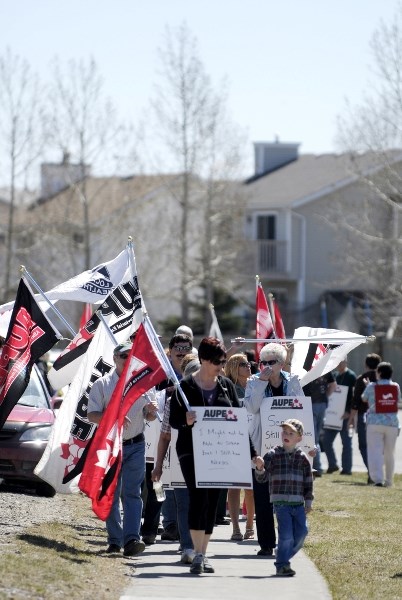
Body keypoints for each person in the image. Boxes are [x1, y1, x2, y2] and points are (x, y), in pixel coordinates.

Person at [169, 336, 246, 575]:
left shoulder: (226, 386)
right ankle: (195, 553)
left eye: (223, 362)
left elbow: (238, 420)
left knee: (212, 501)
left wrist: (251, 453)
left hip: (218, 450)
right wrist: (186, 419)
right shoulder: (185, 387)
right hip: (190, 450)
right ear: (203, 360)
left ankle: (202, 553)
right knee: (198, 497)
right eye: (216, 362)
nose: (220, 367)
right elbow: (173, 420)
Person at [87, 340, 159, 556]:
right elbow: (92, 415)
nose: (129, 360)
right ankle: (114, 540)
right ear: (115, 359)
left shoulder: (143, 384)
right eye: (124, 356)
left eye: (132, 356)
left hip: (135, 444)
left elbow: (150, 416)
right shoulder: (102, 384)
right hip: (109, 447)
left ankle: (131, 540)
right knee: (111, 492)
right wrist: (115, 418)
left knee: (132, 493)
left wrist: (152, 411)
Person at [244, 342, 304, 557]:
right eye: (263, 363)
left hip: (288, 447)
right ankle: (266, 543)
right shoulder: (254, 381)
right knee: (262, 496)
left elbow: (301, 409)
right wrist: (261, 381)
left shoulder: (293, 381)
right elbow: (251, 407)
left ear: (281, 363)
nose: (266, 366)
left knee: (286, 495)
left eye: (271, 363)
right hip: (263, 445)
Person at [152, 351, 200, 564]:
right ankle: (188, 545)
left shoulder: (214, 399)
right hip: (181, 460)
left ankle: (196, 545)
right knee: (183, 502)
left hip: (207, 461)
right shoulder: (174, 401)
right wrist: (158, 465)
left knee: (201, 504)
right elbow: (164, 436)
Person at [254, 418, 313, 577]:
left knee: (302, 533)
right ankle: (282, 564)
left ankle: (283, 556)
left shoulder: (303, 458)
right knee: (286, 536)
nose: (286, 435)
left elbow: (308, 480)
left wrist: (308, 500)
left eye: (291, 433)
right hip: (281, 504)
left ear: (299, 438)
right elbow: (262, 478)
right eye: (284, 432)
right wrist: (260, 468)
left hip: (298, 503)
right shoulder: (273, 454)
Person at [158, 333, 193, 542]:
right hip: (164, 431)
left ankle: (185, 530)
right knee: (169, 485)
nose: (181, 351)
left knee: (182, 487)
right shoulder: (162, 373)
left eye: (186, 347)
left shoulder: (195, 374)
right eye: (178, 347)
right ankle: (170, 524)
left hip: (187, 437)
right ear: (170, 351)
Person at [224, 353, 255, 541]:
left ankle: (250, 525)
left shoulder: (255, 385)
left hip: (253, 440)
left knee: (251, 488)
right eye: (244, 364)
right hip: (233, 441)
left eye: (249, 363)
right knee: (234, 487)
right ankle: (235, 527)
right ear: (235, 367)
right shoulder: (228, 388)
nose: (249, 366)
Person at [362, 361, 401, 487]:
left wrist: (368, 385)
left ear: (379, 372)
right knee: (390, 452)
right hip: (392, 423)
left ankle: (378, 479)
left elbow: (364, 398)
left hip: (374, 423)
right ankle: (389, 481)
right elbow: (398, 401)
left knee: (375, 451)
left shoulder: (372, 386)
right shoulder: (395, 386)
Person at [349, 353, 381, 482]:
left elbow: (356, 401)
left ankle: (371, 472)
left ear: (366, 364)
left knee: (364, 445)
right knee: (377, 446)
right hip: (380, 417)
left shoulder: (361, 379)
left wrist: (351, 418)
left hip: (364, 416)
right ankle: (377, 473)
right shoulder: (382, 379)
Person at [323, 359, 357, 475]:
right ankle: (332, 465)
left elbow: (354, 396)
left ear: (346, 362)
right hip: (333, 416)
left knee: (346, 443)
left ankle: (347, 469)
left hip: (345, 416)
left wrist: (349, 412)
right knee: (326, 441)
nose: (338, 364)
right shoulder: (334, 375)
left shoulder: (351, 376)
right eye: (337, 362)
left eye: (340, 362)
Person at [303, 372, 337, 476]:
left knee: (313, 437)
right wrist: (325, 395)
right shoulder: (325, 365)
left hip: (310, 403)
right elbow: (333, 385)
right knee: (315, 436)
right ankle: (317, 466)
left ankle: (317, 467)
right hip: (322, 403)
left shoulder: (306, 367)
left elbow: (333, 385)